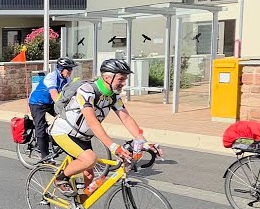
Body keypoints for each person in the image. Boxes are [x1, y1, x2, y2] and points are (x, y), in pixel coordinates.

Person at [47, 59, 163, 199]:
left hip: (83, 136)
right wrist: (113, 146)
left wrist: (144, 142)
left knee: (89, 175)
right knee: (90, 159)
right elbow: (92, 120)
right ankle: (60, 178)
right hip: (63, 132)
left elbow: (125, 118)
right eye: (121, 79)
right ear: (107, 77)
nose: (124, 83)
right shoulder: (87, 90)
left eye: (125, 79)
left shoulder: (113, 96)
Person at [29, 58, 76, 162]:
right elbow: (55, 96)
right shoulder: (51, 77)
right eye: (68, 69)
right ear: (61, 69)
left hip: (50, 103)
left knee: (66, 119)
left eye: (71, 70)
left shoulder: (66, 79)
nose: (70, 72)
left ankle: (52, 136)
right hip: (37, 103)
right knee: (40, 127)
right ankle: (44, 157)